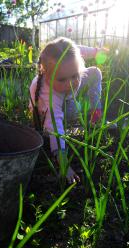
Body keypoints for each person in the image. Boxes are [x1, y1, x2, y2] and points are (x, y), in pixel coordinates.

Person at [29, 37, 107, 184]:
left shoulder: (66, 64)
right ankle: (73, 109)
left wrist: (97, 52)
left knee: (95, 72)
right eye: (63, 79)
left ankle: (96, 117)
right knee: (72, 111)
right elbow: (55, 127)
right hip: (45, 113)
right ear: (46, 74)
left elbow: (79, 49)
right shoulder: (49, 94)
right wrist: (63, 163)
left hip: (64, 97)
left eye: (75, 75)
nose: (70, 83)